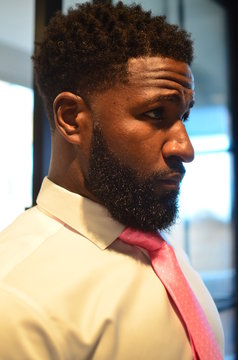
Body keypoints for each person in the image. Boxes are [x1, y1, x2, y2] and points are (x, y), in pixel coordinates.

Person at [0, 1, 224, 359]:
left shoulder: (159, 251)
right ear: (72, 118)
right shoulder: (16, 298)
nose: (185, 147)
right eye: (155, 113)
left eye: (184, 117)